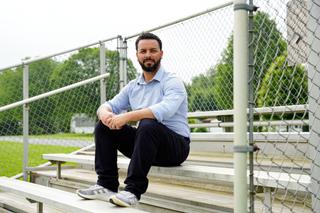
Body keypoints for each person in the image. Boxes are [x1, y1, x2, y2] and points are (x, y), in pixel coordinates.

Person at [76, 32, 190, 207]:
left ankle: (132, 191)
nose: (148, 55)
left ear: (161, 53)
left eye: (153, 50)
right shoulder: (133, 86)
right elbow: (108, 105)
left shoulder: (172, 81)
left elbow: (164, 110)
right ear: (137, 55)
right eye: (143, 51)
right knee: (103, 126)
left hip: (175, 148)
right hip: (146, 146)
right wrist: (105, 113)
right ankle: (106, 184)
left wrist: (127, 117)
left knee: (148, 123)